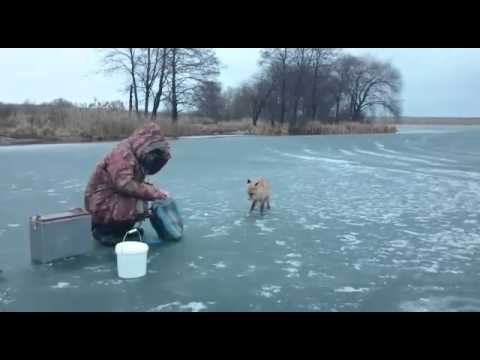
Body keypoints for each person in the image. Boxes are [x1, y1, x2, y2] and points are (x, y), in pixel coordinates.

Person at [84, 122, 171, 246]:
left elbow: (151, 170)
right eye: (152, 151)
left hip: (111, 197)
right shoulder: (122, 154)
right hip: (102, 202)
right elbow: (124, 184)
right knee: (131, 198)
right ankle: (106, 231)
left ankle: (122, 229)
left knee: (140, 199)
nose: (152, 155)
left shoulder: (138, 155)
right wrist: (155, 193)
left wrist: (162, 157)